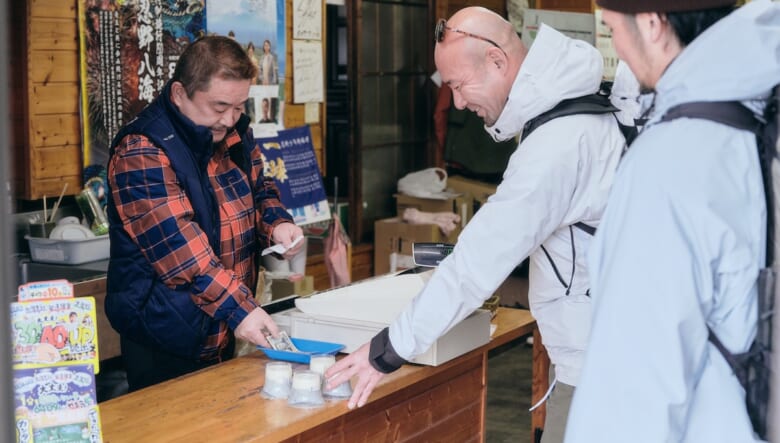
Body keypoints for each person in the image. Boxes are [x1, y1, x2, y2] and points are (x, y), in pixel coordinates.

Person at [326, 7, 630, 442]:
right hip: (607, 352)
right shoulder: (574, 110)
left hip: (599, 372)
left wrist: (386, 351)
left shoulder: (558, 144)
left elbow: (477, 262)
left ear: (497, 61)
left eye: (458, 84)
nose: (458, 103)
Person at [565, 1, 780, 442]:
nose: (617, 49)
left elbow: (632, 390)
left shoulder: (669, 162)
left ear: (652, 23)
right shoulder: (758, 114)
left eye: (612, 29)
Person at [105, 35, 304, 392]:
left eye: (239, 106)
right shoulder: (142, 151)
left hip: (222, 327)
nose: (229, 119)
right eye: (219, 106)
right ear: (180, 93)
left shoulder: (234, 132)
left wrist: (277, 223)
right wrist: (241, 310)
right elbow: (185, 257)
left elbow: (260, 190)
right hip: (167, 341)